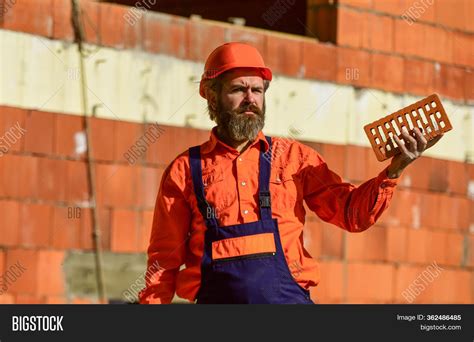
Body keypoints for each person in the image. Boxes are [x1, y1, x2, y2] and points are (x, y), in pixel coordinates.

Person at [138, 42, 443, 304]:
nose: (250, 99)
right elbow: (163, 260)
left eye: (257, 90)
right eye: (238, 89)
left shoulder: (294, 158)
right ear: (212, 96)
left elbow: (352, 214)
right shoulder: (184, 170)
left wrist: (394, 169)